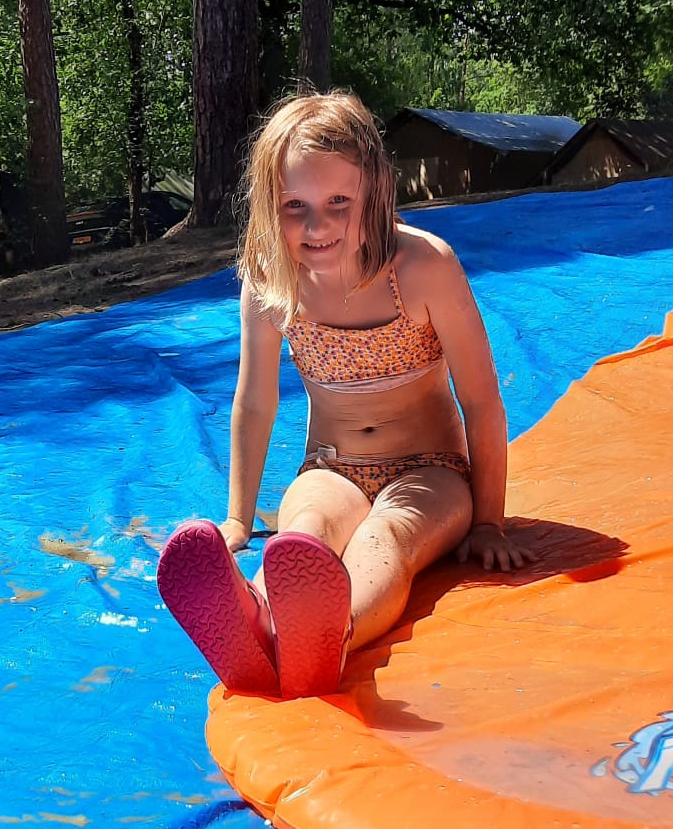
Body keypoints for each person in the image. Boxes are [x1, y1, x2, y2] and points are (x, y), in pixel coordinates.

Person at [156, 91, 537, 701]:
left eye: (339, 202)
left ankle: (332, 633)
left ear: (374, 193)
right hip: (331, 466)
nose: (318, 226)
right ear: (269, 206)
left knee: (386, 538)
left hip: (430, 471)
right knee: (304, 532)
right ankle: (256, 622)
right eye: (295, 206)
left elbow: (482, 401)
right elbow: (254, 402)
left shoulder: (422, 268)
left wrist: (489, 521)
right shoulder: (271, 279)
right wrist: (238, 518)